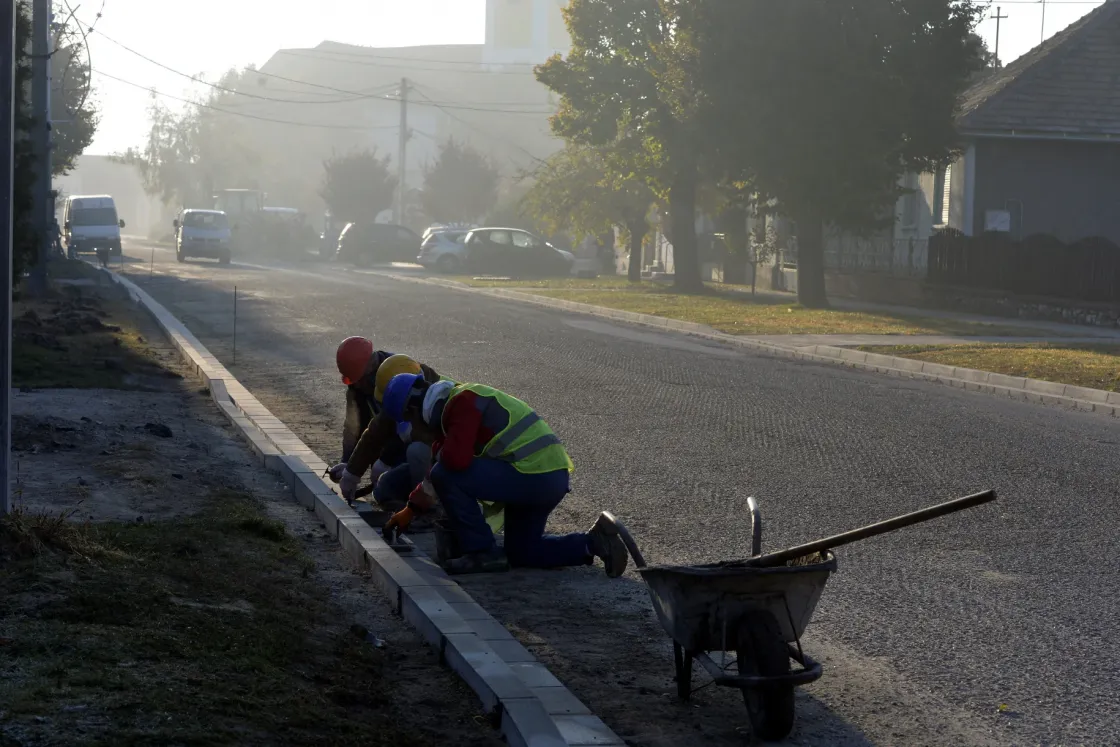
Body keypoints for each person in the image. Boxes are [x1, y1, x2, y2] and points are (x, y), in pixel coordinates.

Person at [380, 373, 629, 577]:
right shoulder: (454, 408)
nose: (414, 432)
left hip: (534, 476)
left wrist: (438, 454)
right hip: (543, 477)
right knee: (521, 552)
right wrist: (410, 511)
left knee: (446, 471)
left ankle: (482, 552)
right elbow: (435, 474)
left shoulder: (463, 401)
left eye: (409, 422)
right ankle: (593, 543)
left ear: (415, 409)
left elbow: (452, 463)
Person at [330, 339, 441, 508]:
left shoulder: (403, 379)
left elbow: (408, 431)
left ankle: (431, 506)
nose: (357, 385)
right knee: (384, 490)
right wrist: (349, 467)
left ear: (370, 366)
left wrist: (385, 460)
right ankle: (416, 499)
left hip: (439, 455)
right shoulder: (362, 385)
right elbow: (361, 428)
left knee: (416, 451)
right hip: (408, 446)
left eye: (359, 380)